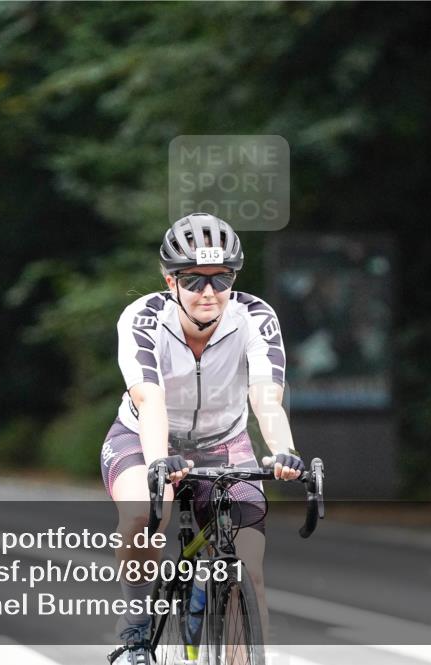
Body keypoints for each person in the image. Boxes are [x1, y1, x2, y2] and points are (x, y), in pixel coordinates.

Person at [101, 213, 304, 665]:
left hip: (223, 441)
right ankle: (135, 630)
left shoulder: (255, 317)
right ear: (169, 279)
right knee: (143, 515)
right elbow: (149, 400)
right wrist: (160, 464)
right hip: (144, 436)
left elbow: (266, 398)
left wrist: (284, 452)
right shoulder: (143, 318)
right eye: (193, 279)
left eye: (222, 278)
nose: (209, 292)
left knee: (250, 568)